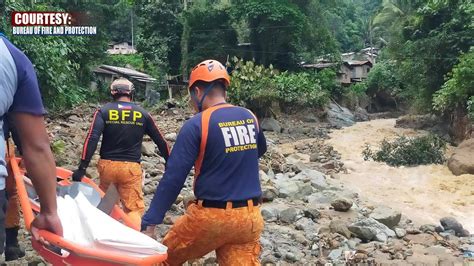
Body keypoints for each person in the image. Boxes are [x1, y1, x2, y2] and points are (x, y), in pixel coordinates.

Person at [141, 60, 267, 265]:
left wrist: (150, 221)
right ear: (224, 88)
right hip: (250, 219)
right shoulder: (249, 116)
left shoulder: (197, 124)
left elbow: (174, 178)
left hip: (211, 218)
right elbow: (259, 150)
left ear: (197, 92)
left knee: (162, 258)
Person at [72, 78, 170, 228]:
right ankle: (133, 241)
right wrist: (170, 162)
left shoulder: (103, 111)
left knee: (107, 205)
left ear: (112, 93)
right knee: (134, 209)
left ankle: (102, 238)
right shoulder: (142, 114)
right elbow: (161, 141)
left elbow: (92, 138)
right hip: (130, 169)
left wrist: (82, 168)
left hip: (107, 167)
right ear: (131, 93)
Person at [0, 33, 63, 257]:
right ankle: (12, 242)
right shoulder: (12, 59)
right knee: (12, 190)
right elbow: (36, 145)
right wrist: (49, 211)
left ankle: (12, 242)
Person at [3, 116, 25, 261]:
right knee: (11, 194)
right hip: (2, 144)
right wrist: (24, 151)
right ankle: (11, 245)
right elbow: (13, 120)